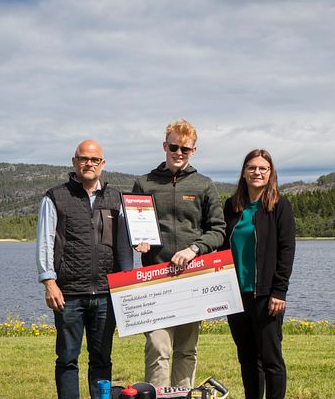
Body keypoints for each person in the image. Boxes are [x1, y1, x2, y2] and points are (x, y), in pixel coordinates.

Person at [35, 140, 133, 399]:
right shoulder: (56, 196)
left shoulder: (116, 199)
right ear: (74, 162)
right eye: (83, 159)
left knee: (102, 359)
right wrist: (49, 281)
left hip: (105, 293)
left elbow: (124, 245)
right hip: (68, 293)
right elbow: (45, 241)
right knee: (67, 358)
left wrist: (126, 283)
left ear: (103, 164)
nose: (88, 164)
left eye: (94, 159)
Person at [132, 119, 226, 388]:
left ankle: (183, 395)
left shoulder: (204, 185)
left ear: (193, 150)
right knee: (157, 346)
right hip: (155, 278)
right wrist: (137, 241)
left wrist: (195, 248)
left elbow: (218, 230)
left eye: (185, 149)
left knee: (186, 349)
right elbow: (133, 226)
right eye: (174, 147)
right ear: (165, 146)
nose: (179, 153)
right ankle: (158, 395)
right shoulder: (144, 183)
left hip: (192, 280)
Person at [219, 149, 296, 399]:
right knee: (247, 359)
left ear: (271, 173)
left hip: (266, 295)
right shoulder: (231, 207)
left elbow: (287, 250)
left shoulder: (279, 206)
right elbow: (220, 245)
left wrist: (279, 291)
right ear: (243, 172)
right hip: (235, 295)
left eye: (263, 168)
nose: (257, 172)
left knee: (271, 359)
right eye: (252, 167)